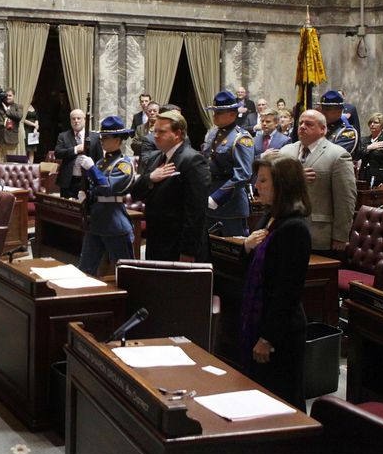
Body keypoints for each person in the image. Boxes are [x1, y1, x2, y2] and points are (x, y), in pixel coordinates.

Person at [240, 152, 312, 411]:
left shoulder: (295, 228)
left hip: (281, 332)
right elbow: (253, 269)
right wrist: (246, 248)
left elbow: (287, 291)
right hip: (261, 319)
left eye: (263, 181)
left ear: (282, 184)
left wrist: (268, 338)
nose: (256, 186)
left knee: (283, 400)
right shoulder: (270, 216)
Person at [130, 109, 210, 261]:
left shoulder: (193, 160)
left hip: (178, 244)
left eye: (161, 132)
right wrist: (150, 179)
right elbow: (135, 193)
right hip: (156, 240)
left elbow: (196, 211)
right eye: (155, 131)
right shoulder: (156, 158)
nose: (156, 136)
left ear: (178, 134)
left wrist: (188, 251)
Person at [279, 110, 356, 253]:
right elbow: (274, 187)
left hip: (318, 234)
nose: (302, 127)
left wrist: (341, 235)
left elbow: (345, 199)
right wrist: (295, 178)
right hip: (284, 229)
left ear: (323, 129)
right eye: (300, 123)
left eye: (308, 124)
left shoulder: (338, 155)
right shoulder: (285, 151)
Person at [77, 116, 136, 276]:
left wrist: (91, 169)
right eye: (101, 137)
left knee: (126, 271)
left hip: (114, 223)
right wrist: (85, 194)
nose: (101, 140)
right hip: (96, 222)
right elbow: (94, 187)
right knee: (85, 270)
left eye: (106, 137)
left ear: (118, 139)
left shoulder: (123, 165)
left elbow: (108, 188)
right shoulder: (101, 163)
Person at [202, 90, 255, 236]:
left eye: (218, 113)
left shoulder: (241, 138)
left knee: (232, 252)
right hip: (208, 199)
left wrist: (217, 197)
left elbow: (243, 174)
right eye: (214, 112)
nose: (214, 116)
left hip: (230, 205)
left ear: (232, 114)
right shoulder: (213, 134)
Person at [55, 109, 102, 198]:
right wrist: (75, 149)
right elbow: (58, 153)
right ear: (70, 121)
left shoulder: (95, 137)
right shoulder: (63, 136)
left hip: (88, 181)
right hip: (68, 182)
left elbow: (99, 160)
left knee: (87, 209)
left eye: (78, 118)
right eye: (73, 119)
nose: (76, 121)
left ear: (84, 120)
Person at [357, 112, 383, 187]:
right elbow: (357, 155)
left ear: (382, 125)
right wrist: (370, 147)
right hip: (364, 177)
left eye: (375, 122)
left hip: (381, 178)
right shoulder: (364, 140)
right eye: (370, 122)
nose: (372, 125)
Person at [0, 87, 23, 162]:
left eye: (10, 95)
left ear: (14, 96)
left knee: (9, 165)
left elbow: (19, 116)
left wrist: (7, 109)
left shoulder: (18, 107)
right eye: (6, 96)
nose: (8, 97)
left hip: (10, 140)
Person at [317, 90, 359, 156]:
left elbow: (330, 156)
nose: (322, 111)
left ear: (339, 111)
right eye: (322, 107)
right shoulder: (319, 127)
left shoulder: (347, 133)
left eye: (327, 109)